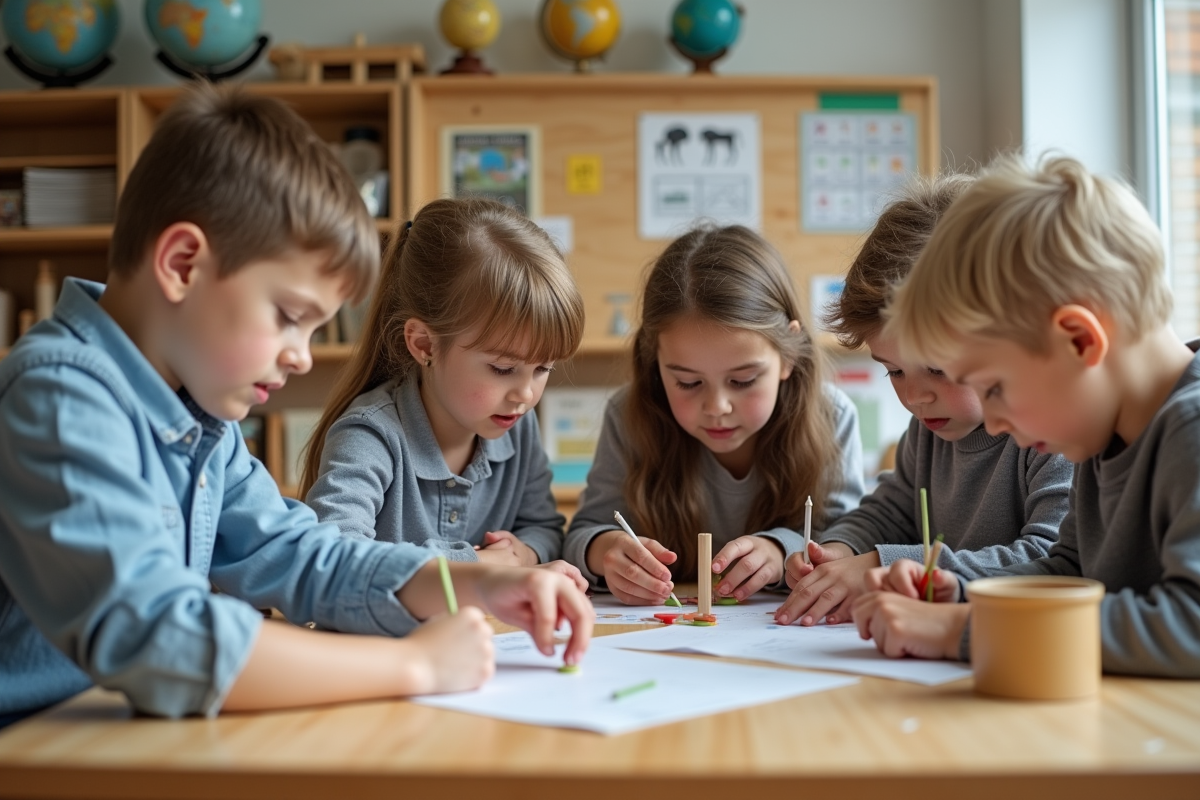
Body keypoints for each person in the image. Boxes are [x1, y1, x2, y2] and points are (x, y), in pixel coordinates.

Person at [0, 84, 592, 729]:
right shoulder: (60, 396)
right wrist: (415, 667)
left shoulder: (200, 413)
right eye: (288, 317)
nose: (302, 357)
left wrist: (474, 585)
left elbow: (302, 555)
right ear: (182, 263)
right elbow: (161, 639)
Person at [852, 154, 1200, 677]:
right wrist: (965, 594)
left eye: (993, 387)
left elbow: (1190, 624)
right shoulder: (1102, 431)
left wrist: (962, 631)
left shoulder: (1190, 431)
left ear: (1080, 340)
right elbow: (1070, 572)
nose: (992, 425)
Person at [774, 175, 1073, 626]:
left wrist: (884, 565)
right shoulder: (930, 426)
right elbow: (890, 512)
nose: (914, 397)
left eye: (937, 369)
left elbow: (1050, 558)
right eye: (893, 370)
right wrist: (837, 553)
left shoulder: (1057, 428)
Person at [564, 224, 865, 605]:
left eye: (743, 380)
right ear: (656, 362)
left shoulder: (832, 416)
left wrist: (779, 550)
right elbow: (582, 533)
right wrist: (605, 551)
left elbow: (850, 538)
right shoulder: (628, 416)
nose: (717, 407)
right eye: (688, 383)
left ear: (788, 355)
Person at [301, 197, 584, 573]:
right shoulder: (370, 436)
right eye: (503, 368)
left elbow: (544, 528)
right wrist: (476, 566)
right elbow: (332, 559)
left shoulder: (517, 425)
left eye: (543, 368)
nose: (526, 394)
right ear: (424, 345)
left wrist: (525, 553)